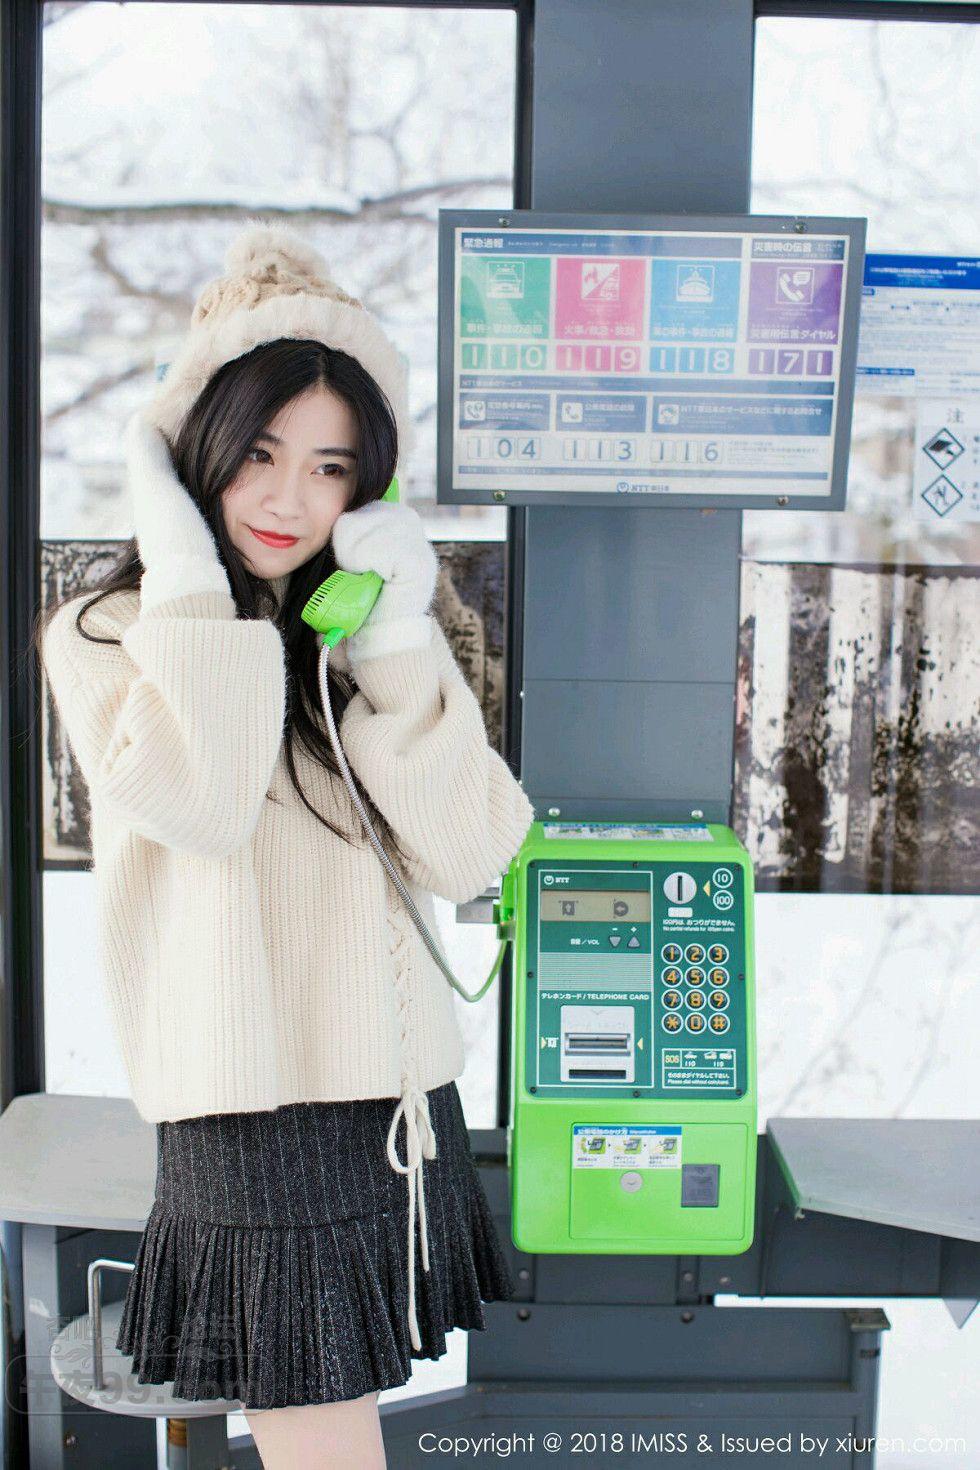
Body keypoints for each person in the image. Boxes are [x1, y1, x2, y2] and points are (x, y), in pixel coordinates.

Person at [38, 220, 534, 1468]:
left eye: (329, 467)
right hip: (249, 1106)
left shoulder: (362, 634)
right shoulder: (111, 634)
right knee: (321, 1441)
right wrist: (186, 572)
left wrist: (394, 634)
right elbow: (202, 800)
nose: (287, 498)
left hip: (389, 1097)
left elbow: (467, 851)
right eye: (256, 453)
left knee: (333, 1430)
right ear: (189, 453)